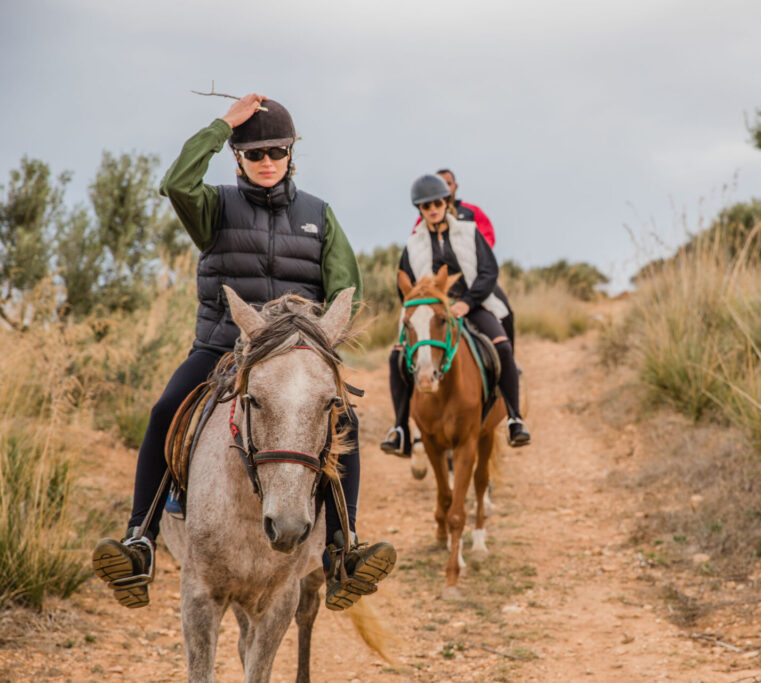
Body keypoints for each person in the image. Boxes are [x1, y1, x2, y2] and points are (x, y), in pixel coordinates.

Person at [91, 94, 394, 611]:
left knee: (345, 420)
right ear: (238, 159)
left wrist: (315, 339)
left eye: (277, 150)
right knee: (166, 410)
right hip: (223, 347)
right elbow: (175, 183)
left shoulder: (319, 216)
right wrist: (221, 125)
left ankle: (344, 550)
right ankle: (139, 540)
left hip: (296, 350)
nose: (267, 160)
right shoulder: (213, 208)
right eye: (254, 153)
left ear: (291, 153)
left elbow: (348, 288)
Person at [380, 174, 531, 458]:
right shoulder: (413, 245)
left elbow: (489, 272)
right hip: (432, 313)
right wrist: (420, 310)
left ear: (446, 202)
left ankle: (514, 418)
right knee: (396, 357)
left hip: (473, 306)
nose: (433, 209)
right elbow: (406, 290)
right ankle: (401, 429)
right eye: (426, 207)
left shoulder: (470, 232)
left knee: (502, 346)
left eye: (437, 203)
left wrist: (467, 303)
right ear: (420, 211)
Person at [414, 169, 516, 350]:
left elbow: (487, 237)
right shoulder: (421, 225)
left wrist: (475, 255)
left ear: (455, 187)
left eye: (448, 183)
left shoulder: (471, 212)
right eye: (427, 206)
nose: (433, 209)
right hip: (438, 298)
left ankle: (511, 359)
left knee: (504, 309)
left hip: (474, 279)